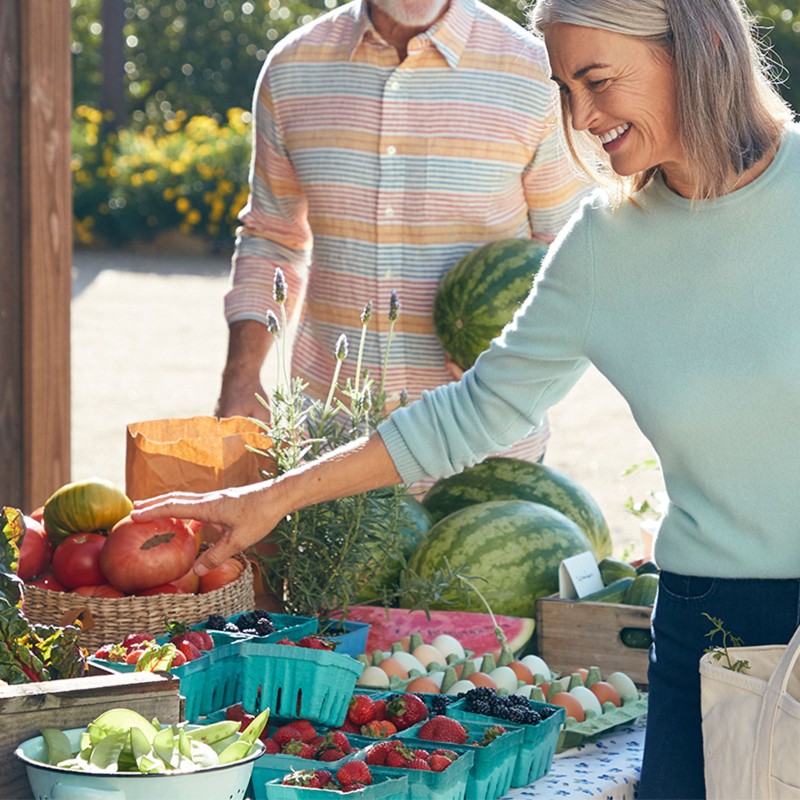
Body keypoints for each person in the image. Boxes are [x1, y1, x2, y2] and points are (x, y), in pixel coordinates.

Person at [134, 0, 797, 796]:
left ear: (691, 51)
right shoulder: (603, 244)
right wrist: (273, 496)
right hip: (707, 622)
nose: (581, 119)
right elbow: (473, 412)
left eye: (596, 81)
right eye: (563, 89)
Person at [214, 0, 589, 472]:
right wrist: (241, 375)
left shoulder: (537, 71)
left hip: (483, 448)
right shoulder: (292, 68)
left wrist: (515, 372)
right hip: (326, 451)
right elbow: (272, 237)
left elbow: (570, 257)